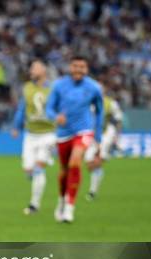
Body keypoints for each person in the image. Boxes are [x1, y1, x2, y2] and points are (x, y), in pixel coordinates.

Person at [45, 56, 104, 223]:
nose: (78, 69)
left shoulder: (93, 87)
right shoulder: (59, 85)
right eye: (75, 66)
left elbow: (99, 112)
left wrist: (98, 137)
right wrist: (56, 117)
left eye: (82, 67)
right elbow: (49, 108)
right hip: (63, 133)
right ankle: (61, 201)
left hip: (84, 130)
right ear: (70, 67)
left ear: (87, 69)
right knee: (63, 171)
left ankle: (70, 208)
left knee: (75, 162)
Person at [11, 60, 56, 215]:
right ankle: (32, 177)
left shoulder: (53, 89)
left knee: (38, 168)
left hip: (49, 134)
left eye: (34, 68)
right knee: (28, 169)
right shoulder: (27, 88)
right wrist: (16, 126)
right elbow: (22, 109)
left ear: (43, 70)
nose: (31, 70)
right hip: (31, 135)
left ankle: (34, 205)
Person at [83, 87, 123, 200]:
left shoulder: (111, 103)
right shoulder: (88, 103)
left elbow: (118, 120)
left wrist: (117, 138)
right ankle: (102, 159)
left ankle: (92, 192)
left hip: (106, 134)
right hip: (92, 134)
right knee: (89, 164)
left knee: (98, 161)